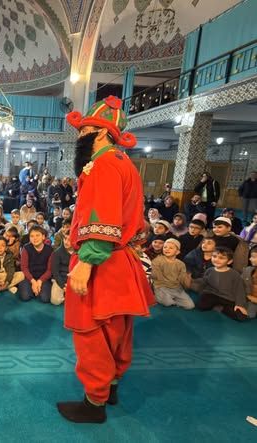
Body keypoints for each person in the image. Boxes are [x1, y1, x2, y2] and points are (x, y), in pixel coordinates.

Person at [57, 96, 154, 423]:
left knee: (91, 333)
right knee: (116, 331)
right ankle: (110, 387)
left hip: (100, 262)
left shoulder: (102, 165)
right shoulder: (123, 162)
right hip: (120, 261)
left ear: (100, 132)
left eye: (84, 130)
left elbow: (104, 219)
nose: (79, 136)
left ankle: (94, 403)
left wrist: (86, 261)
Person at [194, 247, 249, 321]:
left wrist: (239, 305)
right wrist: (200, 292)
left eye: (221, 258)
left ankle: (220, 307)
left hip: (227, 298)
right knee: (200, 306)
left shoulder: (235, 274)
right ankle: (216, 305)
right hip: (212, 295)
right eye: (214, 256)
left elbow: (239, 290)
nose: (216, 259)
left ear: (229, 261)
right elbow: (204, 283)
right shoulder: (209, 270)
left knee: (241, 317)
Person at [151, 239, 194, 309]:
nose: (167, 249)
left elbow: (182, 278)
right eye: (165, 247)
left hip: (176, 287)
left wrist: (187, 282)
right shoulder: (157, 260)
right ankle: (159, 296)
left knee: (190, 305)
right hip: (161, 286)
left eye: (171, 248)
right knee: (168, 303)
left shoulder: (181, 264)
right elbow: (157, 276)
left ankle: (170, 297)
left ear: (177, 252)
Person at [17, 226, 54, 303]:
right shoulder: (26, 248)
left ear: (43, 237)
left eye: (37, 235)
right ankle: (33, 289)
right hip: (29, 277)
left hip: (44, 278)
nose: (35, 238)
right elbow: (24, 268)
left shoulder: (50, 250)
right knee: (25, 296)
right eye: (32, 236)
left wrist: (40, 281)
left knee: (45, 298)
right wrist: (33, 281)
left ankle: (36, 289)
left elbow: (49, 270)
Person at [51, 233, 74, 306]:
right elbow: (55, 272)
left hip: (73, 279)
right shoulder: (57, 253)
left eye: (69, 240)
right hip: (60, 279)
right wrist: (63, 286)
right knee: (55, 301)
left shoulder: (79, 252)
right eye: (65, 239)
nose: (66, 242)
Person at [241, 246, 257, 319]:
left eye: (253, 257)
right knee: (249, 314)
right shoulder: (247, 270)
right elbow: (238, 287)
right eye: (251, 256)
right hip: (248, 301)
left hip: (252, 300)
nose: (250, 259)